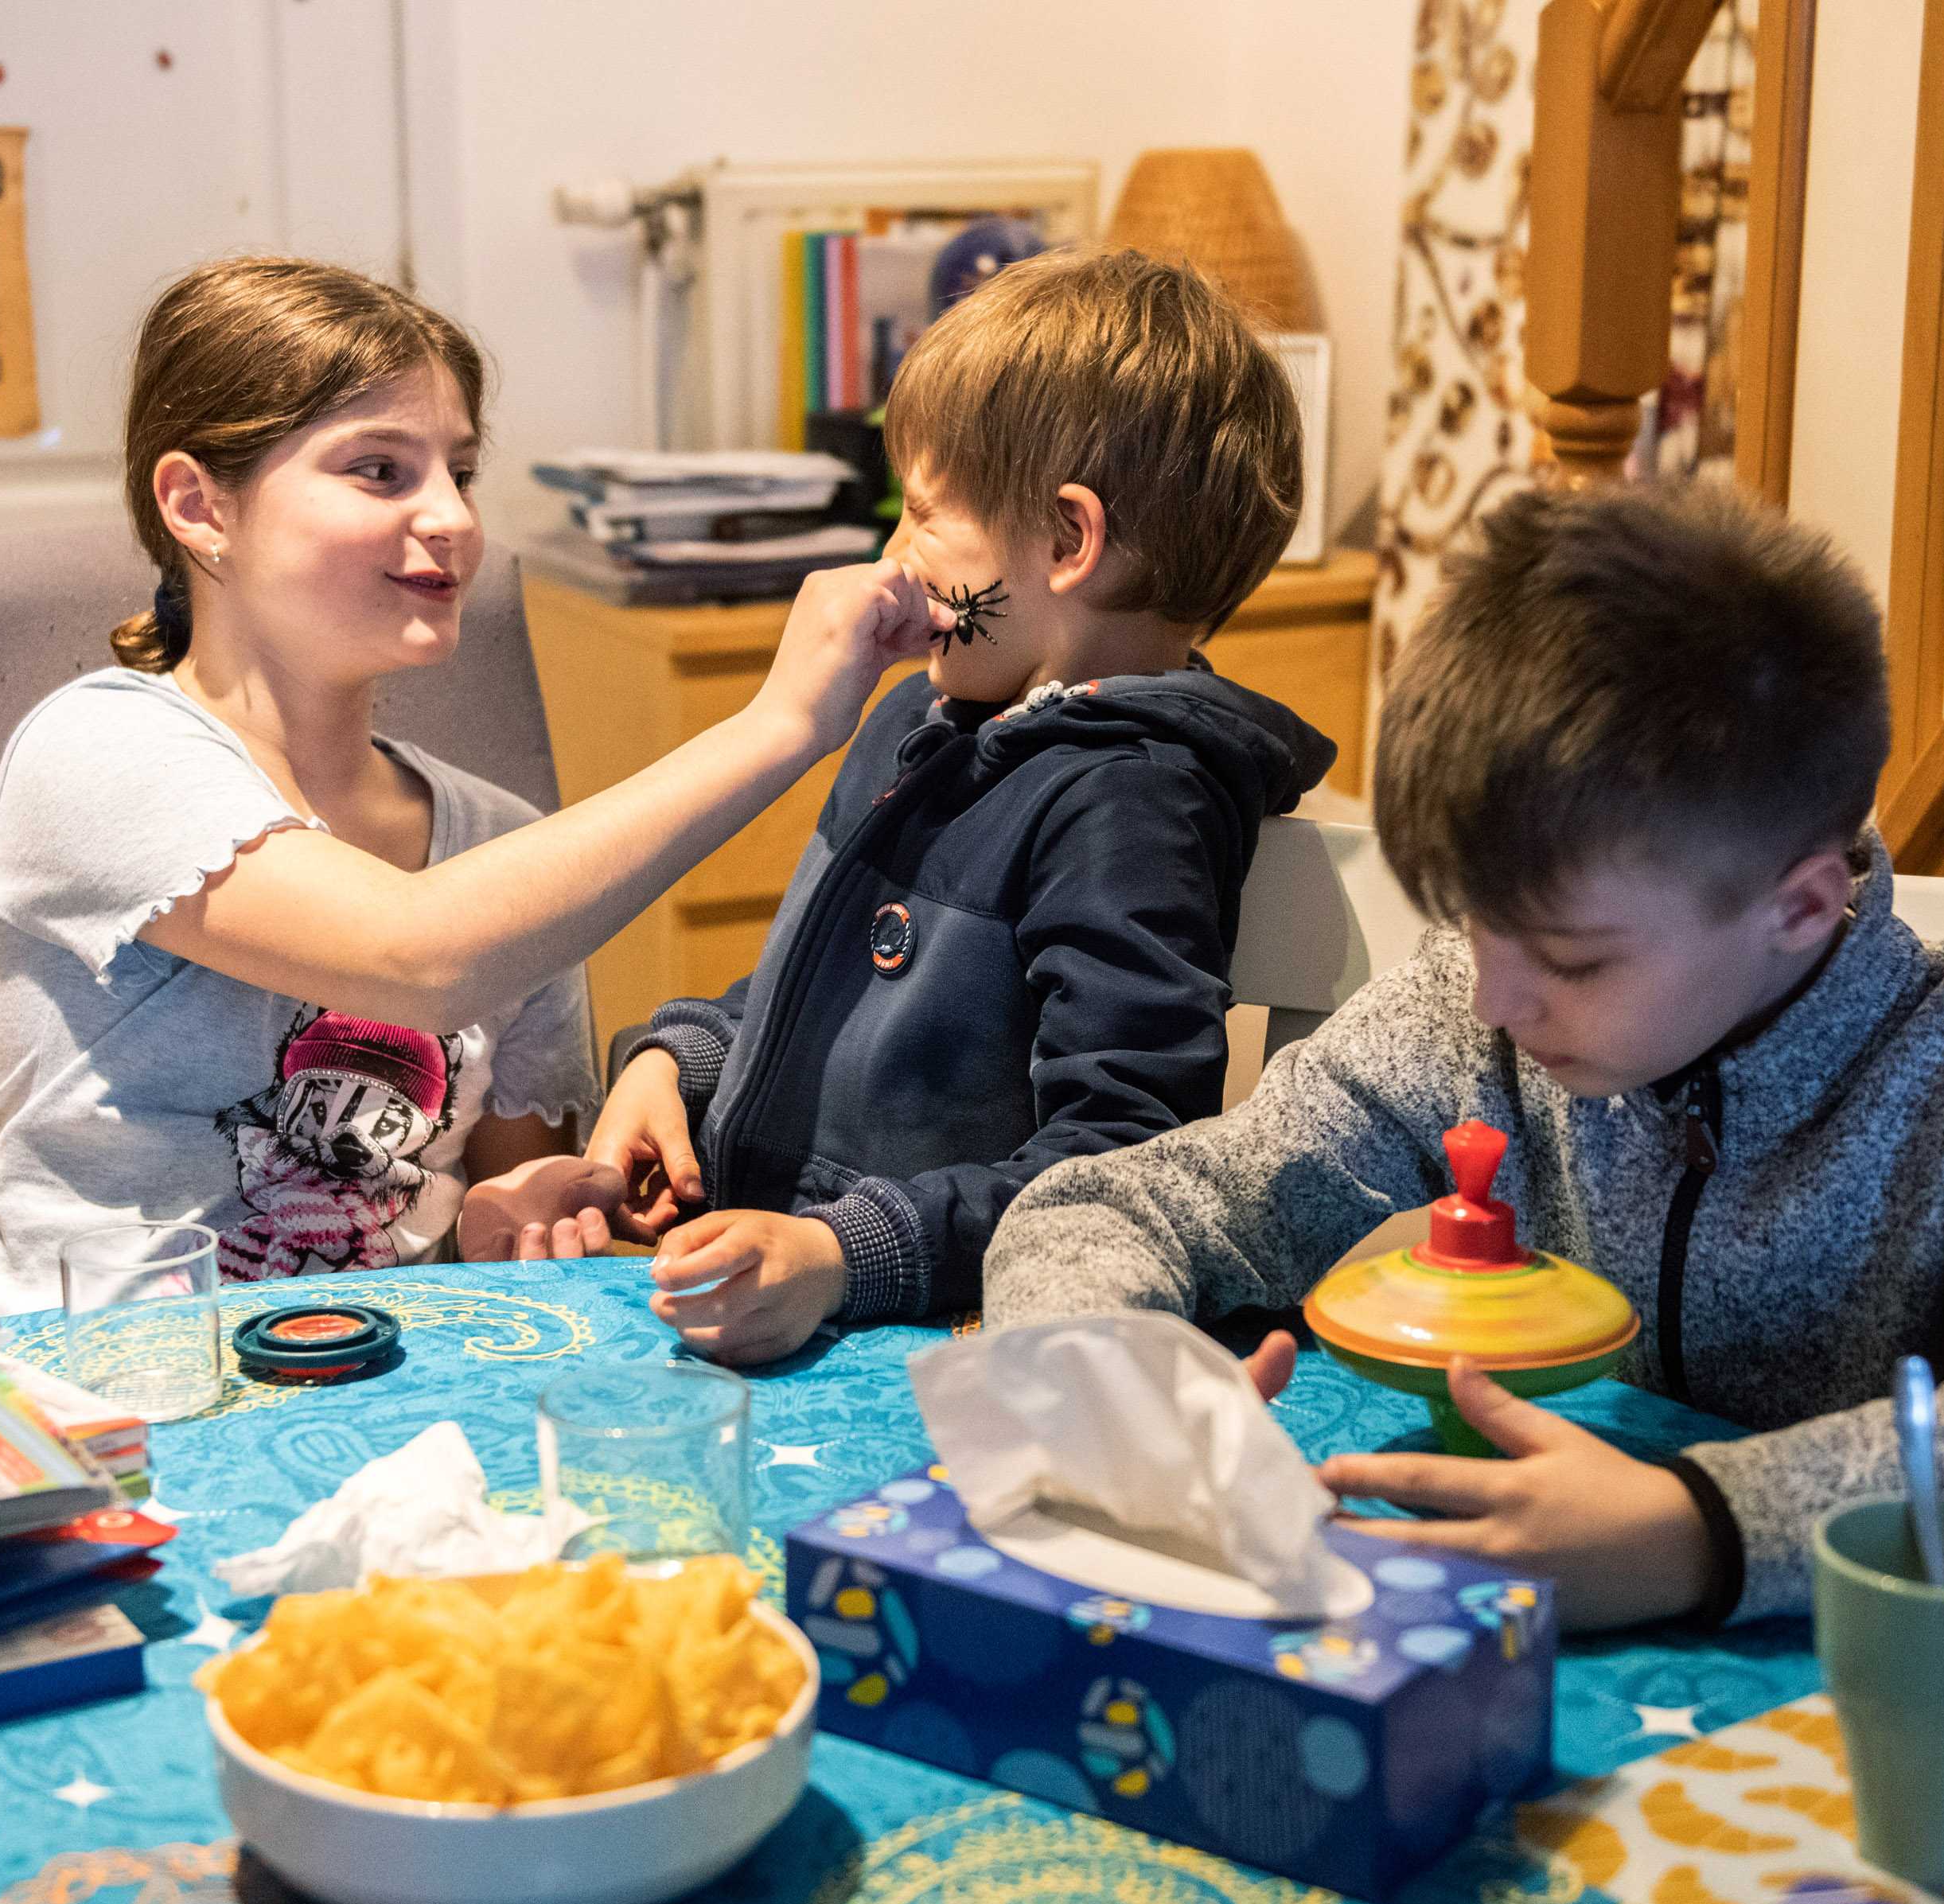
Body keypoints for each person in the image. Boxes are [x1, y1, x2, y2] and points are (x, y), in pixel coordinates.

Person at [980, 480, 1944, 1632]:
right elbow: (1112, 1203)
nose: (1497, 995)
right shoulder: (1468, 1008)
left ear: (1803, 907)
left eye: (1570, 957)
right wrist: (1113, 1388)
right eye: (1475, 919)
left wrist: (1698, 1528)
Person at [0, 257, 934, 1315]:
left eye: (459, 471)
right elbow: (416, 956)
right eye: (379, 469)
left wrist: (511, 1214)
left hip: (358, 1390)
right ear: (198, 504)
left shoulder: (498, 845)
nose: (451, 516)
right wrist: (779, 725)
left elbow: (479, 1212)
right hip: (89, 1390)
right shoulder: (96, 747)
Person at [465, 249, 1337, 1366]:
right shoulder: (923, 722)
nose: (894, 556)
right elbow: (807, 995)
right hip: (792, 1311)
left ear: (1069, 541)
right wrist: (672, 1065)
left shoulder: (1129, 801)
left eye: (923, 515)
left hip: (933, 1348)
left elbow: (1121, 1163)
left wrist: (842, 1254)